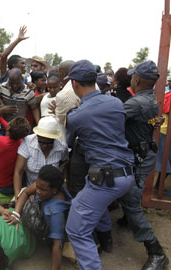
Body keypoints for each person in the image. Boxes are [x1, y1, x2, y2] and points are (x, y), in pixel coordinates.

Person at [64, 60, 135, 270]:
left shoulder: (76, 115)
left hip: (106, 178)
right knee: (95, 199)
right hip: (125, 174)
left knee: (76, 229)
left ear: (75, 83)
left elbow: (69, 143)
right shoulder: (116, 103)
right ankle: (106, 240)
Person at [118, 61, 169, 270]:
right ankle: (127, 218)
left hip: (139, 157)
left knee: (131, 201)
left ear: (136, 80)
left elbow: (111, 116)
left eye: (133, 76)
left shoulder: (135, 103)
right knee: (128, 193)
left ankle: (157, 252)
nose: (131, 79)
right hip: (144, 153)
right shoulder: (151, 99)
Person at [7, 165, 72, 270]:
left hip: (44, 232)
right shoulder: (42, 185)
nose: (37, 190)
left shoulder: (55, 213)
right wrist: (16, 214)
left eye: (42, 190)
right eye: (37, 186)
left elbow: (57, 245)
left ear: (54, 190)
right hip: (38, 213)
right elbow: (26, 192)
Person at [13, 116, 68, 200]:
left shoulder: (62, 148)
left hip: (50, 191)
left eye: (49, 143)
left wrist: (64, 183)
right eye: (41, 142)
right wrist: (17, 196)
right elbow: (18, 172)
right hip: (30, 192)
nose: (45, 146)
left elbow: (64, 164)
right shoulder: (28, 143)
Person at [0, 116, 30, 195]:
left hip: (0, 187)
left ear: (8, 128)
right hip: (14, 185)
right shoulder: (22, 143)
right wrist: (0, 117)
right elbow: (9, 128)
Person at [54, 60, 78, 125]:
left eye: (59, 74)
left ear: (63, 74)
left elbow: (60, 122)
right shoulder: (93, 84)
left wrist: (55, 111)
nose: (59, 77)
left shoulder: (62, 95)